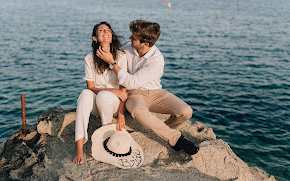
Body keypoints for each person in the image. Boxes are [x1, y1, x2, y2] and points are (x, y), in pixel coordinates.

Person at [96, 19, 199, 155]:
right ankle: (175, 138)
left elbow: (131, 81)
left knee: (186, 111)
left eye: (133, 37)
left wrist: (112, 63)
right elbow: (128, 81)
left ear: (145, 43)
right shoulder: (128, 48)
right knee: (137, 110)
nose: (129, 38)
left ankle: (164, 131)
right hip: (135, 94)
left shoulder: (156, 60)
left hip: (156, 92)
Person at [73, 22, 128, 165]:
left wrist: (121, 114)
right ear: (95, 38)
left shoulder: (121, 57)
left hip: (113, 104)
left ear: (111, 37)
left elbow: (123, 90)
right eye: (101, 30)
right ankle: (79, 146)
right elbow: (91, 87)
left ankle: (106, 140)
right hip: (97, 103)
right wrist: (111, 89)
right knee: (85, 93)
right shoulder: (89, 59)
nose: (105, 32)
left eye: (108, 30)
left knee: (104, 96)